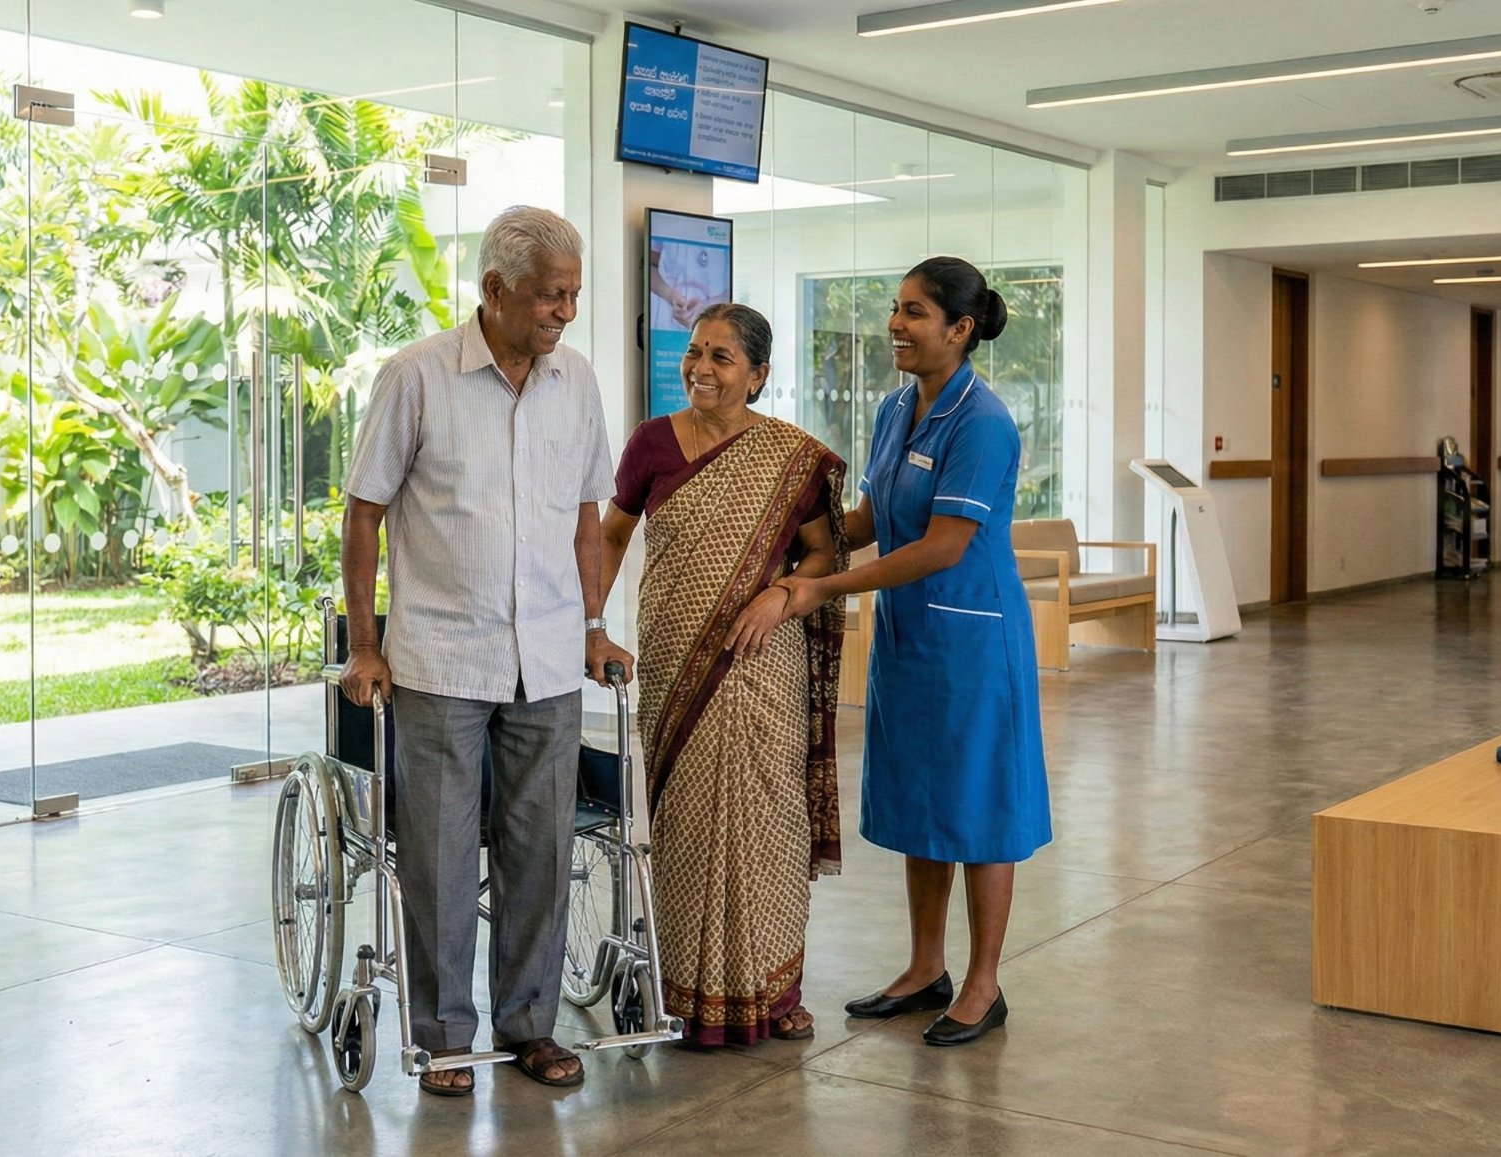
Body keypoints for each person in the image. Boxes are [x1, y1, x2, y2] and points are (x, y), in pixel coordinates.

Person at [339, 206, 634, 1096]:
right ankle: (442, 1036)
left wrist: (591, 623)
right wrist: (365, 644)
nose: (566, 312)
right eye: (552, 295)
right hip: (441, 659)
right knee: (435, 852)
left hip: (546, 659)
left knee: (540, 850)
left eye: (575, 295)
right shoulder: (418, 377)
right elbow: (364, 512)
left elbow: (587, 511)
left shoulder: (574, 382)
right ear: (496, 290)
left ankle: (529, 1028)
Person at [777, 257, 1052, 1048]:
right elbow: (872, 513)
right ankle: (924, 966)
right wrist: (796, 553)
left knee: (979, 808)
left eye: (915, 312)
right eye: (896, 309)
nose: (896, 324)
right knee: (924, 803)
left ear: (960, 330)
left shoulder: (985, 423)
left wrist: (829, 588)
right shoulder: (898, 408)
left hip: (972, 645)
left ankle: (982, 983)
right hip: (911, 640)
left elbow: (942, 545)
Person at [599, 303, 847, 1047]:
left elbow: (822, 554)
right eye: (696, 352)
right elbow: (612, 533)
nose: (701, 368)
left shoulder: (793, 458)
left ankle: (778, 991)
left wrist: (782, 592)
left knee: (768, 818)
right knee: (683, 822)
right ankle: (689, 990)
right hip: (677, 656)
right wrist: (589, 623)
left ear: (758, 375)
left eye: (723, 358)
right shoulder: (651, 444)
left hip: (765, 659)